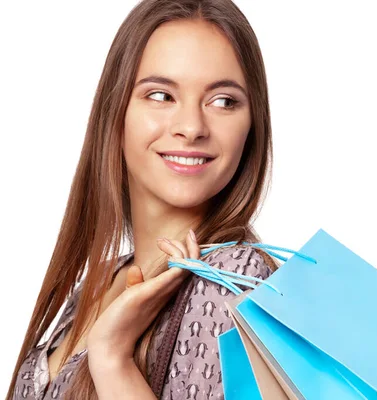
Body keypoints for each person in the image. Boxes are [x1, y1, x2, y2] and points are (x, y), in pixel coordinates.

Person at [6, 0, 277, 398]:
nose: (191, 127)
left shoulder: (230, 279)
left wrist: (113, 357)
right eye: (161, 95)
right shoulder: (98, 281)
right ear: (115, 110)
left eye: (223, 101)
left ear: (252, 125)